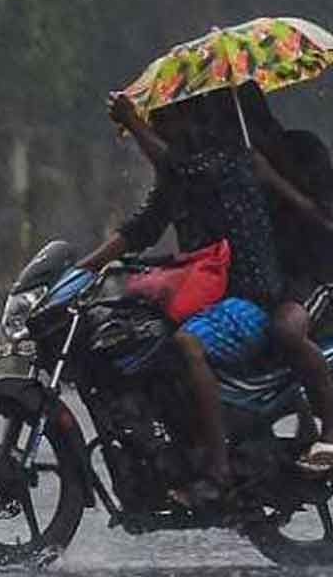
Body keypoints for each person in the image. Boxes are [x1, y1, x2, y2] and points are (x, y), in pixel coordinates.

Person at [79, 91, 282, 507]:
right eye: (155, 122)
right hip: (204, 300)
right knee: (138, 339)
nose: (158, 130)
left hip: (247, 299)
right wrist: (82, 269)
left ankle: (218, 469)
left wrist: (133, 124)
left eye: (164, 122)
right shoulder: (181, 178)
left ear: (192, 122)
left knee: (186, 345)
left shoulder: (227, 163)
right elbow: (143, 227)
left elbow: (181, 169)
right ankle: (172, 450)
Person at [229, 89, 333, 471]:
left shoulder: (305, 150)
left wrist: (272, 179)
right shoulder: (236, 166)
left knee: (287, 330)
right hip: (270, 282)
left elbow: (325, 220)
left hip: (316, 280)